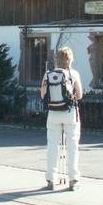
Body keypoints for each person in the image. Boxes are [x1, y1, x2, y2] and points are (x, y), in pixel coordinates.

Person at [40, 46, 83, 191]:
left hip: (53, 113)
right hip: (70, 113)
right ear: (70, 60)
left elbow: (42, 95)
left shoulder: (48, 74)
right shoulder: (73, 74)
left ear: (57, 59)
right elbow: (80, 95)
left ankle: (51, 179)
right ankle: (73, 179)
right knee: (72, 146)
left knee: (52, 146)